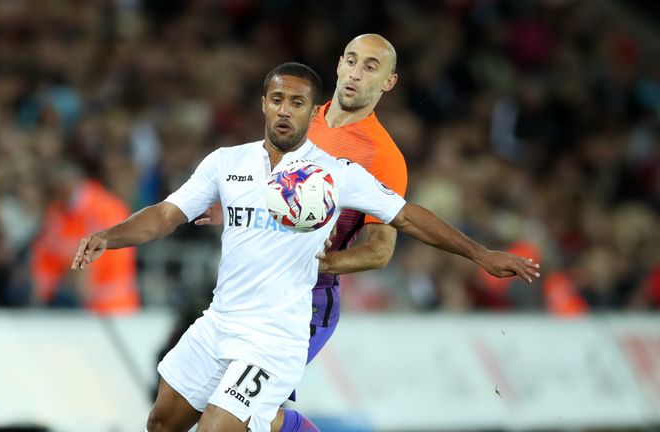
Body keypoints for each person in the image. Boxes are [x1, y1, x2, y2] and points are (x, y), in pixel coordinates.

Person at [71, 62, 540, 432]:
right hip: (220, 321)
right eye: (277, 99)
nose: (284, 110)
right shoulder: (227, 162)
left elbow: (408, 215)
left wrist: (481, 254)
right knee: (161, 422)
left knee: (219, 429)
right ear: (263, 104)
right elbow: (165, 215)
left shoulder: (334, 174)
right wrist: (108, 237)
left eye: (297, 102)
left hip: (275, 337)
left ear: (310, 110)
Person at [195, 34, 540, 432]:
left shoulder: (382, 156)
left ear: (388, 82)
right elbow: (267, 188)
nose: (356, 74)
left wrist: (321, 262)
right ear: (339, 64)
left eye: (371, 67)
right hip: (251, 290)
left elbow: (380, 249)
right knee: (244, 416)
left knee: (226, 420)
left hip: (305, 300)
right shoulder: (297, 118)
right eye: (352, 61)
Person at [32, 160, 139, 314]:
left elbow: (120, 251)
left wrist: (86, 269)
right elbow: (46, 254)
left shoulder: (106, 209)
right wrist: (44, 289)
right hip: (71, 310)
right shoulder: (56, 215)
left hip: (114, 307)